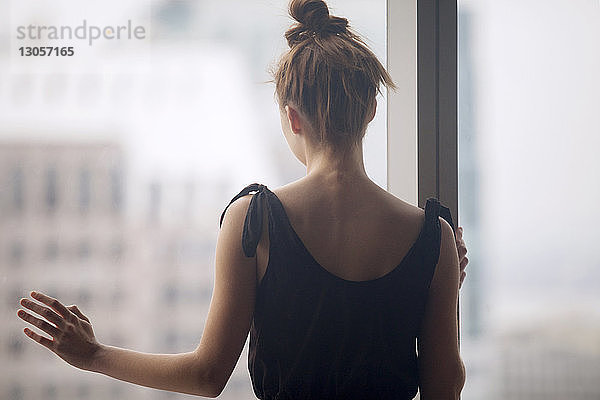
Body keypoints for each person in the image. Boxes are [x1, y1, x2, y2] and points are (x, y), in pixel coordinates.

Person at [16, 0, 469, 398]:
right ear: (372, 109)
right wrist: (435, 279)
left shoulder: (255, 219)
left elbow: (207, 376)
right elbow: (444, 387)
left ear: (292, 117)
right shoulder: (434, 238)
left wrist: (93, 354)